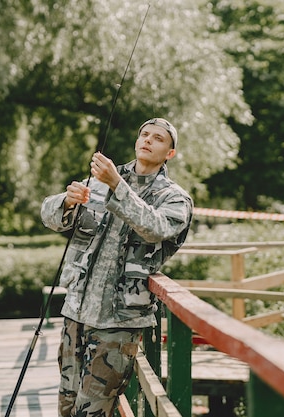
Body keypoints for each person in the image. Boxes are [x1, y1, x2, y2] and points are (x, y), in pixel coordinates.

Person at [40, 117, 194, 417]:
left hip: (119, 324)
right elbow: (50, 216)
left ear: (170, 153)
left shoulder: (174, 197)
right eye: (144, 134)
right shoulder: (100, 180)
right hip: (76, 313)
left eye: (158, 138)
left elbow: (156, 228)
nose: (148, 140)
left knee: (92, 412)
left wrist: (117, 186)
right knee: (67, 408)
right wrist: (66, 202)